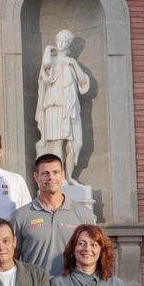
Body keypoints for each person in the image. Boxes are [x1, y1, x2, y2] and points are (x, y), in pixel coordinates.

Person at [12, 153, 95, 277]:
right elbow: (13, 258)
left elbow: (94, 254)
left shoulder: (83, 214)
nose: (51, 177)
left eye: (55, 172)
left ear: (62, 175)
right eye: (45, 173)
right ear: (36, 177)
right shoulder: (20, 216)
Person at [36, 29, 90, 184]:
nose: (61, 43)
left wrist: (73, 64)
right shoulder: (51, 59)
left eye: (65, 41)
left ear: (69, 44)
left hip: (71, 108)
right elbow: (46, 65)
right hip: (55, 106)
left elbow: (83, 82)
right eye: (59, 40)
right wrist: (47, 50)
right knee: (58, 143)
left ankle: (69, 177)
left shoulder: (71, 62)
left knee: (76, 143)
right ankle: (59, 178)